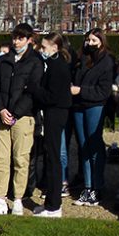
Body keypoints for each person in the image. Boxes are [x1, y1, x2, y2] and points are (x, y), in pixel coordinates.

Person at [0, 23, 42, 216]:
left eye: (21, 38)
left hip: (23, 117)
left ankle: (17, 198)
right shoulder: (4, 60)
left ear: (29, 40)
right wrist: (0, 110)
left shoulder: (35, 61)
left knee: (20, 159)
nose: (16, 42)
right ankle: (0, 198)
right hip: (2, 116)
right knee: (0, 158)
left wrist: (15, 112)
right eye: (15, 38)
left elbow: (33, 91)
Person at [70, 27, 115, 208]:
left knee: (94, 145)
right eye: (88, 40)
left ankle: (98, 185)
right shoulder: (84, 59)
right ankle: (88, 186)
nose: (89, 44)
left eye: (93, 41)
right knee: (84, 148)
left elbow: (104, 90)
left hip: (95, 106)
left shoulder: (106, 62)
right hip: (79, 106)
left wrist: (82, 90)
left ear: (101, 42)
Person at [30, 32, 73, 219]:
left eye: (45, 47)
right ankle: (50, 203)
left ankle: (54, 206)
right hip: (54, 112)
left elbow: (52, 96)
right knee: (51, 156)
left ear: (55, 48)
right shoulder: (54, 65)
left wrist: (34, 89)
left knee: (53, 158)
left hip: (56, 112)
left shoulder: (58, 67)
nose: (42, 50)